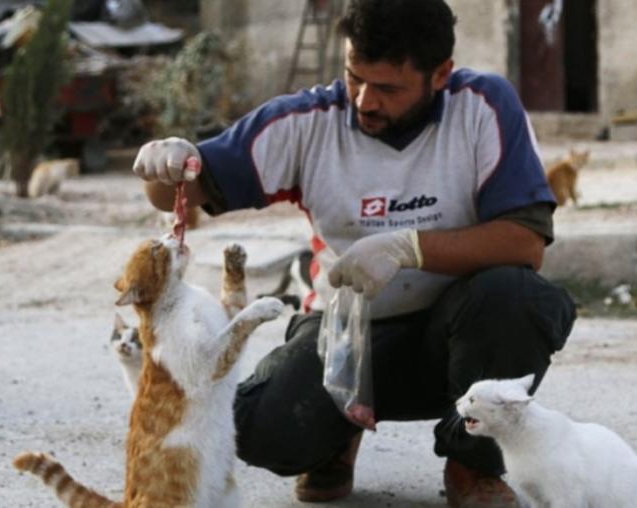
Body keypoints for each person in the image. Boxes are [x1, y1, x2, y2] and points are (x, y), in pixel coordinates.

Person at [131, 0, 576, 505]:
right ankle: (333, 444)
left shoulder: (483, 107)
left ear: (440, 75)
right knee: (261, 428)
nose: (364, 101)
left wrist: (408, 247)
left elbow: (525, 241)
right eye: (353, 78)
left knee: (517, 298)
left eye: (387, 88)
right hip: (341, 339)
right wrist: (165, 166)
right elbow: (188, 186)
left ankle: (472, 464)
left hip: (455, 341)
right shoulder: (308, 121)